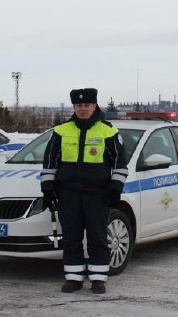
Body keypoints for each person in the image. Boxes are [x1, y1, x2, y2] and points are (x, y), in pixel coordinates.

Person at [40, 87, 128, 294]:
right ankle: (74, 277)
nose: (82, 109)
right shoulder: (61, 131)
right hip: (68, 193)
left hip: (98, 194)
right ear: (74, 107)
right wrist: (47, 189)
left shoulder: (108, 131)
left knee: (97, 236)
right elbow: (50, 163)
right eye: (79, 105)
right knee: (71, 237)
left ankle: (98, 278)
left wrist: (115, 188)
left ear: (94, 105)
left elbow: (120, 163)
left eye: (86, 105)